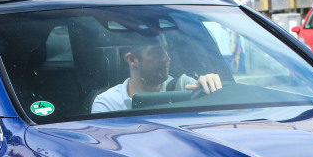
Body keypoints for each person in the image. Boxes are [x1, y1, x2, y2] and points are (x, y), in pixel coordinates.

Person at [91, 33, 222, 113]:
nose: (166, 58)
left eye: (165, 50)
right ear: (131, 59)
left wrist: (210, 85)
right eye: (155, 53)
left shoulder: (183, 87)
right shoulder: (108, 104)